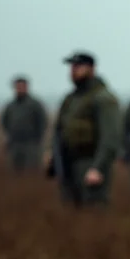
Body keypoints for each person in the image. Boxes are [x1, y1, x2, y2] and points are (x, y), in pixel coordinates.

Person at [47, 52, 120, 207]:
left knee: (93, 212)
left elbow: (110, 138)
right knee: (70, 213)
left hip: (90, 162)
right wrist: (52, 156)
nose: (74, 70)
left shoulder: (103, 98)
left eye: (79, 66)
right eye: (72, 67)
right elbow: (59, 130)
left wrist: (97, 168)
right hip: (68, 165)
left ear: (92, 69)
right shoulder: (70, 99)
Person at [0, 76, 48, 174]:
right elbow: (4, 121)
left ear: (27, 87)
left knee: (31, 171)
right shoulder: (10, 106)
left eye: (22, 86)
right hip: (15, 144)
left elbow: (43, 121)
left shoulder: (35, 104)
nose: (20, 89)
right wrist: (10, 135)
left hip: (31, 144)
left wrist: (37, 138)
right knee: (15, 171)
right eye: (18, 86)